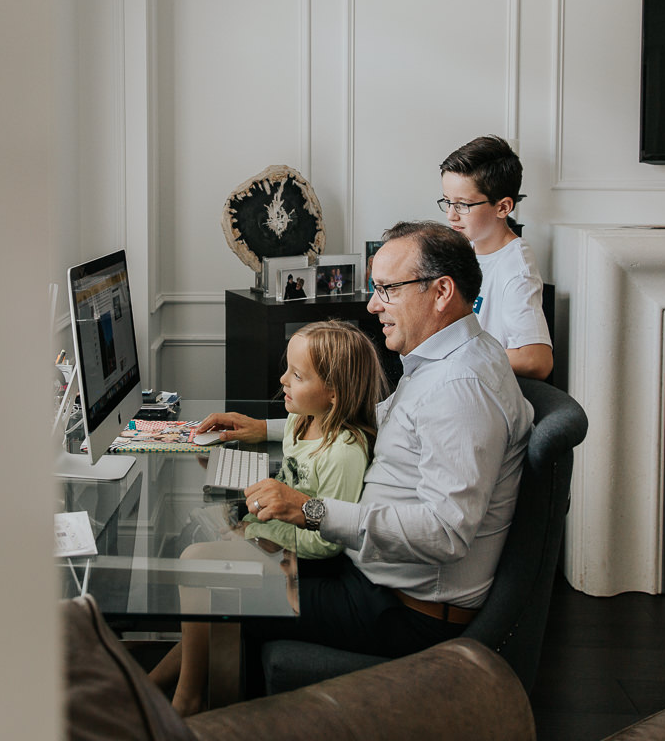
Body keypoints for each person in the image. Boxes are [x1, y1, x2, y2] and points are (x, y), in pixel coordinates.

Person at [196, 221, 534, 661]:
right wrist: (269, 429)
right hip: (376, 577)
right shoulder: (455, 354)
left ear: (441, 291)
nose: (374, 305)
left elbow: (447, 532)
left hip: (400, 610)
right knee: (214, 555)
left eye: (387, 289)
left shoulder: (459, 389)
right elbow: (380, 428)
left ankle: (197, 716)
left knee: (209, 574)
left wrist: (309, 510)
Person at [149, 320, 385, 714]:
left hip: (305, 563)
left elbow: (327, 541)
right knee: (202, 575)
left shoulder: (344, 452)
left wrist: (260, 536)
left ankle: (185, 698)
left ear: (333, 393)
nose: (282, 380)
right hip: (272, 534)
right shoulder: (302, 421)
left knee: (194, 562)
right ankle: (157, 684)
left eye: (296, 374)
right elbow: (287, 474)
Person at [439, 135, 553, 379]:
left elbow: (536, 360)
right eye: (448, 201)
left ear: (503, 207)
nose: (451, 215)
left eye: (463, 205)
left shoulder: (516, 267)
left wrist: (457, 356)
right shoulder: (467, 248)